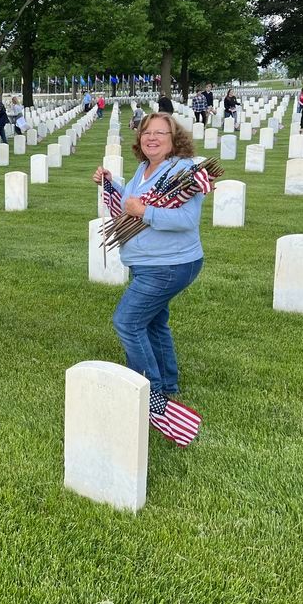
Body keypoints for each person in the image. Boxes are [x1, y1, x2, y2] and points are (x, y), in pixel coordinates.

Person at [92, 112, 206, 402]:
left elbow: (186, 219)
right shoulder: (144, 168)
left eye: (160, 133)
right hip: (147, 263)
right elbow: (130, 203)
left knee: (128, 322)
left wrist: (145, 212)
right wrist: (111, 185)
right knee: (153, 323)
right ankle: (167, 386)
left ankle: (148, 394)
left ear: (174, 139)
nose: (151, 138)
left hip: (169, 264)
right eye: (146, 132)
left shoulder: (182, 172)